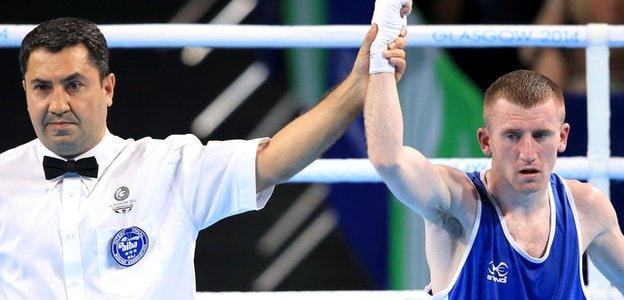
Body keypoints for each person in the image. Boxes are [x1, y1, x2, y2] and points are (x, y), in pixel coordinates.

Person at [0, 2, 411, 298]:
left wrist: (358, 87)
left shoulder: (169, 166)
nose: (57, 104)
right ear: (25, 92)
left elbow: (274, 160)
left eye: (73, 85)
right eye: (42, 88)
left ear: (107, 89)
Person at [365, 45, 624, 298]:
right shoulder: (458, 202)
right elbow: (389, 160)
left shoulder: (586, 208)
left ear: (562, 137)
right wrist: (381, 66)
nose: (528, 152)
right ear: (486, 141)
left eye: (541, 135)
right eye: (512, 136)